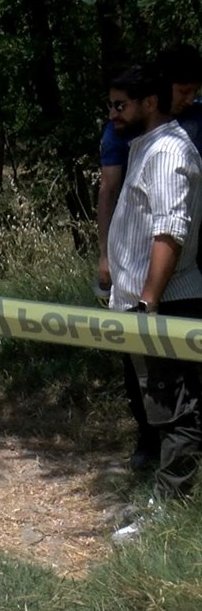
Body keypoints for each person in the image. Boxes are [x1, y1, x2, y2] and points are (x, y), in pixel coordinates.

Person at [103, 63, 202, 541]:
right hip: (142, 306)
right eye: (111, 106)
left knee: (176, 410)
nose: (113, 115)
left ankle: (170, 513)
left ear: (150, 103)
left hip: (165, 307)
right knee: (157, 410)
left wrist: (148, 304)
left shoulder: (167, 153)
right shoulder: (145, 149)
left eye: (121, 106)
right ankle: (165, 500)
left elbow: (171, 230)